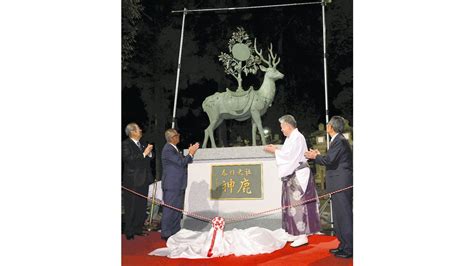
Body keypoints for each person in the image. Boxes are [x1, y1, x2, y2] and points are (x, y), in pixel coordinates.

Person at [264, 115, 321, 247]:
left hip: (298, 175)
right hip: (293, 174)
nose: (282, 130)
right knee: (291, 205)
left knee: (298, 205)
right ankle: (294, 232)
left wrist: (275, 151)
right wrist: (277, 149)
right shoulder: (291, 138)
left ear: (288, 126)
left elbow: (289, 156)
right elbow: (287, 153)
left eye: (282, 127)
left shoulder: (297, 137)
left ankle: (302, 235)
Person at [304, 116, 353, 258]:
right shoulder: (337, 140)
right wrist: (319, 155)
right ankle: (343, 244)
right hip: (338, 183)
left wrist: (315, 156)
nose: (326, 126)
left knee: (344, 216)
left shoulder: (340, 141)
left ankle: (349, 248)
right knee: (338, 216)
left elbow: (330, 160)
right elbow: (332, 159)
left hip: (341, 183)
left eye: (328, 124)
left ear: (331, 127)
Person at [160, 128, 200, 240]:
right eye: (177, 135)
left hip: (178, 184)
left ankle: (175, 230)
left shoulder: (174, 149)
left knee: (177, 209)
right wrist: (191, 153)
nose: (179, 136)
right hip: (172, 185)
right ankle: (166, 233)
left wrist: (190, 154)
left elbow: (185, 161)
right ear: (173, 138)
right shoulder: (168, 149)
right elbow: (182, 162)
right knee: (170, 209)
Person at [122, 123, 154, 240]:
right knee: (131, 206)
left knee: (141, 205)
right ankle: (129, 231)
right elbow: (130, 160)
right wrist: (145, 153)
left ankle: (138, 228)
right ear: (133, 132)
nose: (141, 130)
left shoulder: (142, 143)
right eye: (138, 129)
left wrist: (149, 153)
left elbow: (149, 157)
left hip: (144, 179)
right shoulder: (126, 144)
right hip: (132, 180)